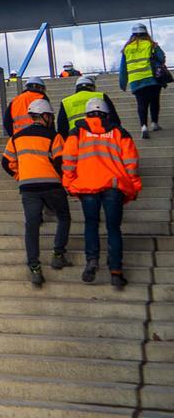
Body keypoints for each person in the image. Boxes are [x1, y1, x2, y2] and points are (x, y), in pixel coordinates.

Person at [62, 96, 141, 288]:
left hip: (88, 186)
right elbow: (131, 163)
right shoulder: (119, 132)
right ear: (107, 113)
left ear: (87, 113)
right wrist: (134, 186)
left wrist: (68, 182)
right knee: (114, 228)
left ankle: (92, 260)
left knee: (91, 223)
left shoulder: (77, 131)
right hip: (114, 186)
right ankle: (116, 271)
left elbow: (69, 159)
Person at [1, 98, 71, 287]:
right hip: (51, 185)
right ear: (46, 116)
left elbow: (6, 163)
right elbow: (60, 162)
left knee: (31, 226)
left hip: (28, 187)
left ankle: (34, 268)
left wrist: (20, 176)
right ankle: (58, 254)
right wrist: (62, 180)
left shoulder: (16, 137)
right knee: (63, 217)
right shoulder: (54, 136)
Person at [119, 22, 166, 140]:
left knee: (141, 104)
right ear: (146, 33)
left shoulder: (127, 48)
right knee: (154, 101)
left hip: (136, 80)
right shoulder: (151, 45)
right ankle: (154, 123)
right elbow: (162, 57)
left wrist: (123, 83)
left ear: (133, 34)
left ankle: (143, 126)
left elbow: (123, 67)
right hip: (152, 78)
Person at [57, 74, 123, 136]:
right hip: (102, 136)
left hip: (76, 137)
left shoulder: (66, 101)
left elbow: (62, 128)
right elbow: (114, 120)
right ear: (91, 87)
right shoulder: (101, 96)